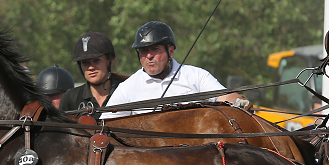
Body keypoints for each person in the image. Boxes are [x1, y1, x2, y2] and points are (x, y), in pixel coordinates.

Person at [102, 21, 250, 118]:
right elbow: (106, 126)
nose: (148, 56)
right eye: (143, 51)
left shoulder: (196, 76)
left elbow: (224, 97)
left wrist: (239, 101)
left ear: (171, 51)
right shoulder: (127, 88)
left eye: (155, 49)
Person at [58, 31, 126, 116]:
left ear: (110, 61)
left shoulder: (126, 91)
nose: (91, 67)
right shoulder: (70, 98)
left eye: (96, 60)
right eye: (85, 63)